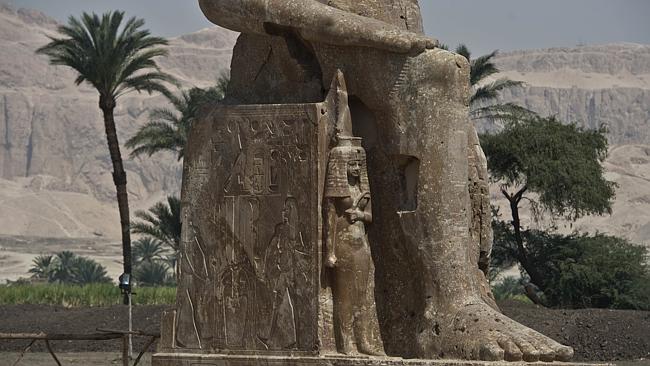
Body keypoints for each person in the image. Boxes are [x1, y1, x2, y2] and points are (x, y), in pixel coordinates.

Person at [198, 0, 574, 361]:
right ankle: (447, 307)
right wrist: (363, 31)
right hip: (309, 51)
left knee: (445, 94)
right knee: (436, 76)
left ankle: (457, 299)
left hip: (378, 53)